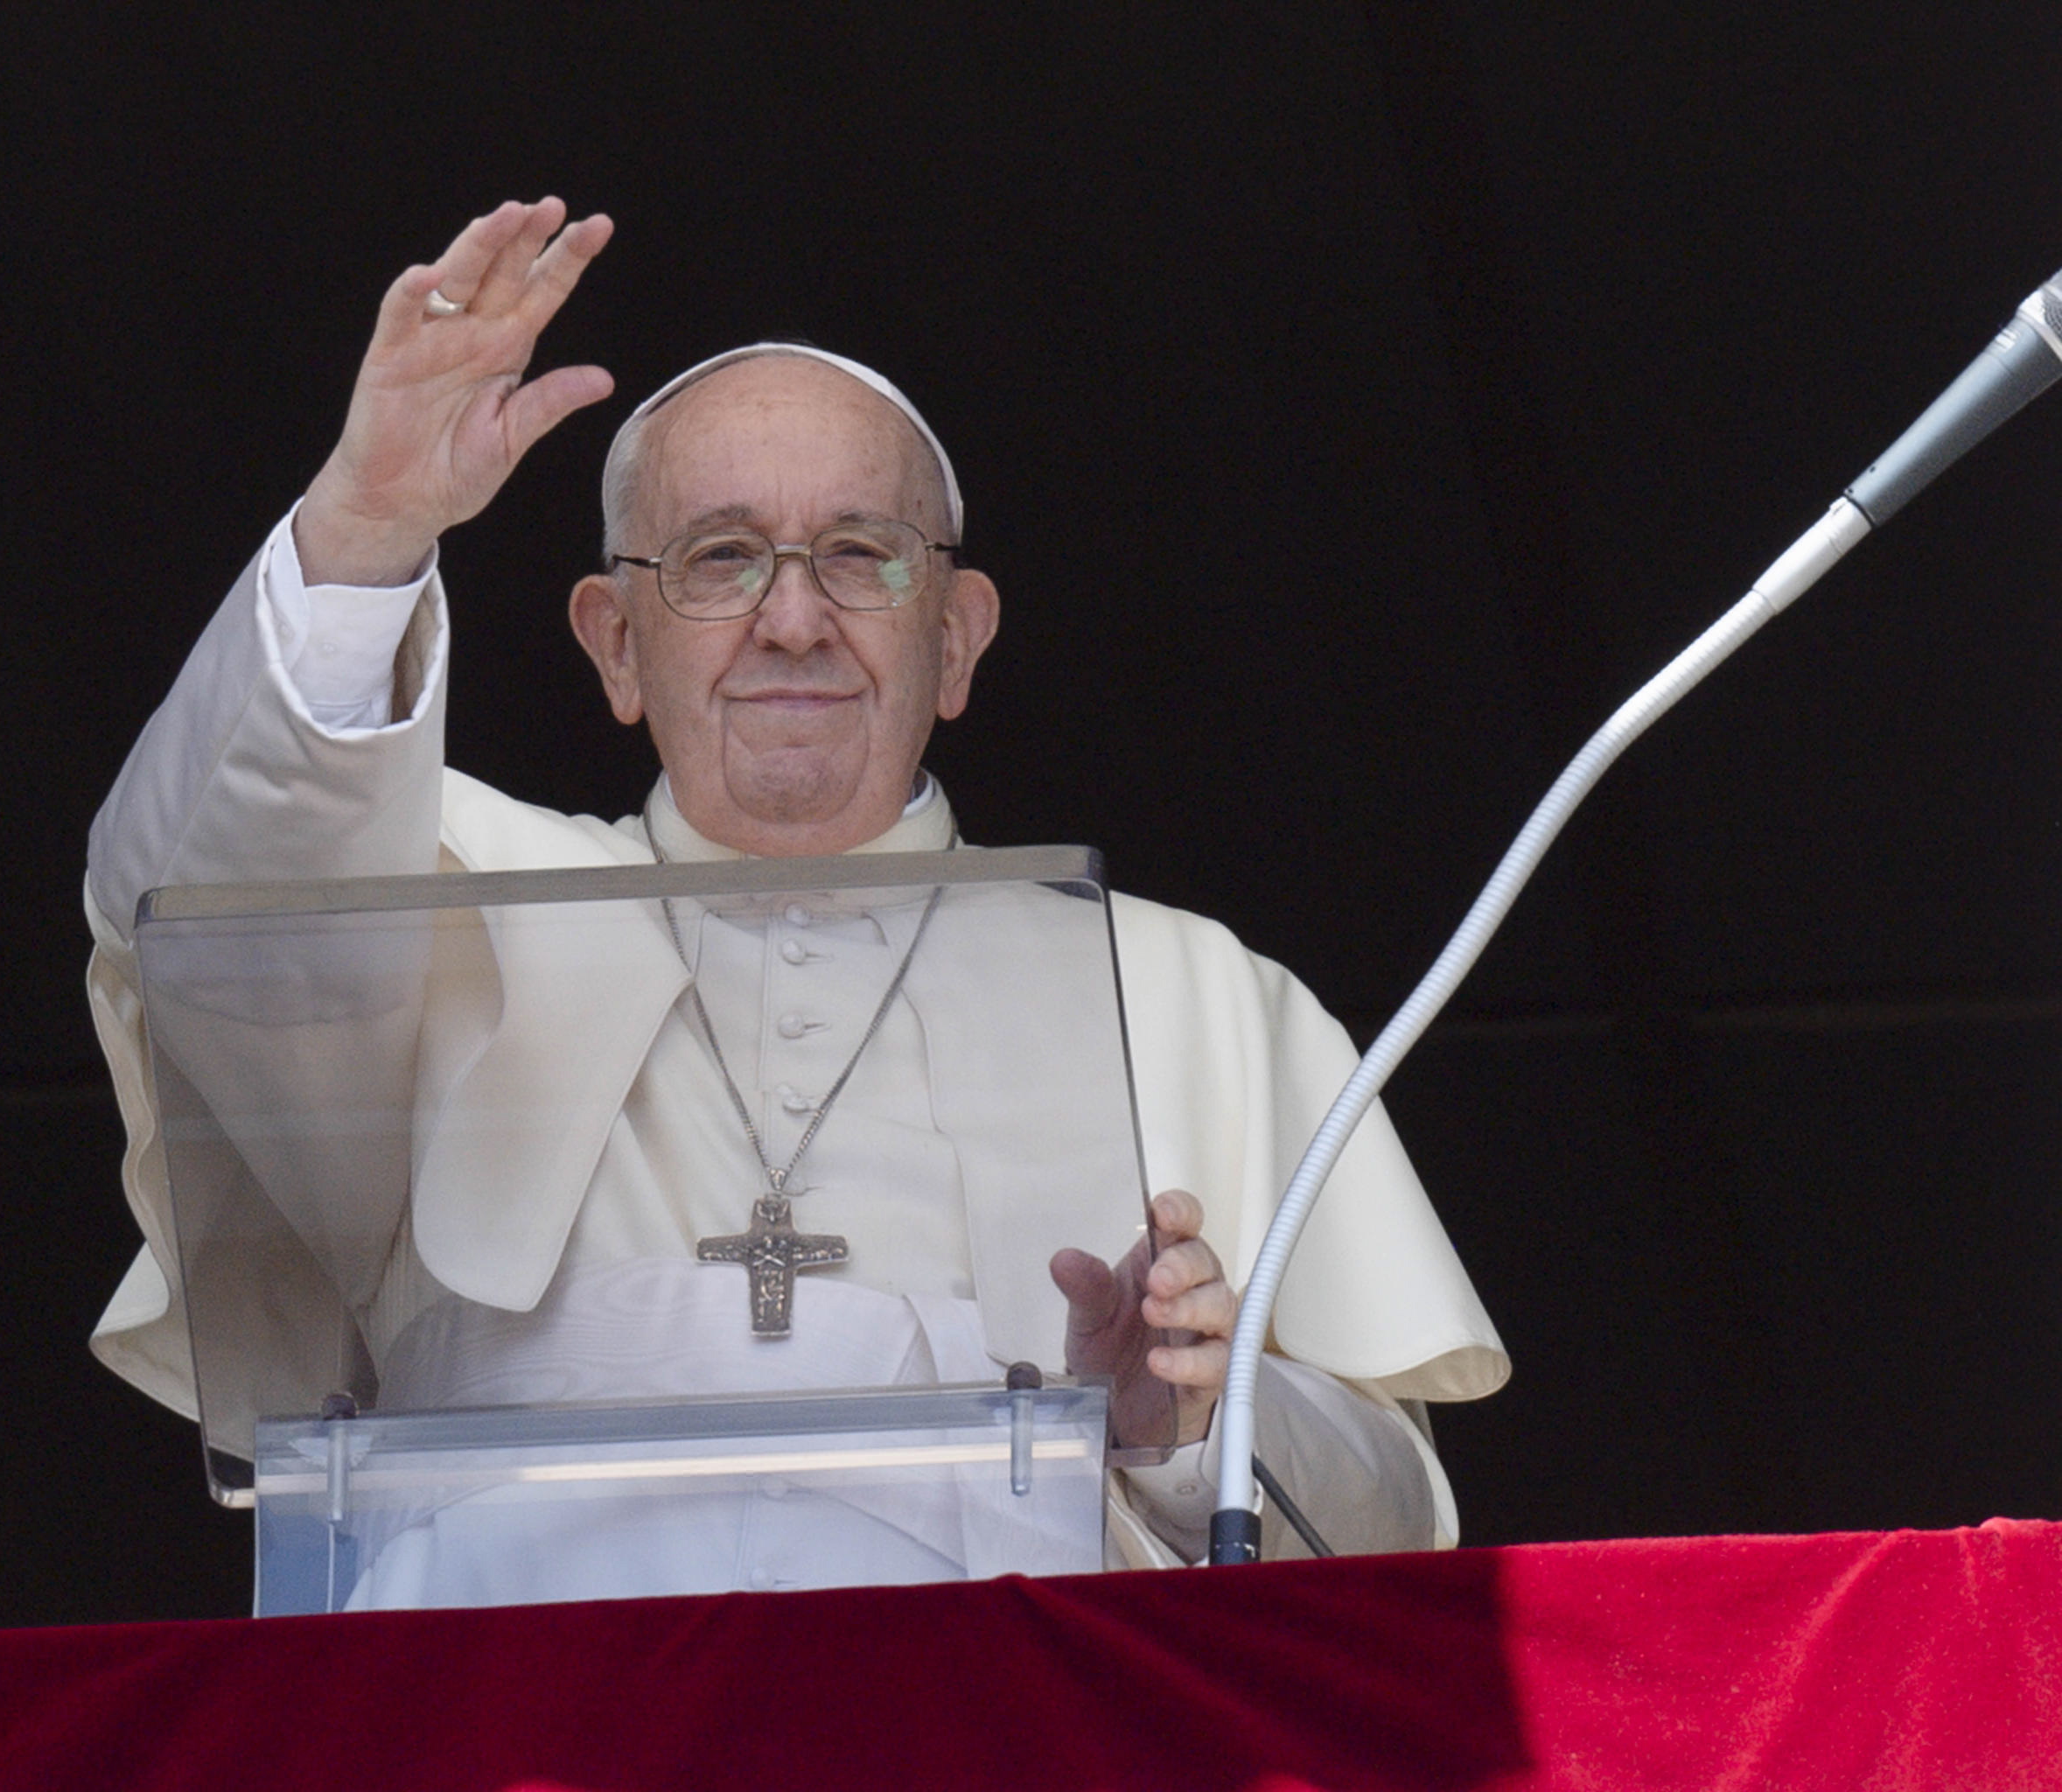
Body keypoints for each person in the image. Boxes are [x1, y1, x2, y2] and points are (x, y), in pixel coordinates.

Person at [83, 199, 1507, 1579]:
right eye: (717, 559)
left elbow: (1392, 1544)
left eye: (859, 556)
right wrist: (365, 530)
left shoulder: (1191, 991)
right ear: (615, 647)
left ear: (955, 641)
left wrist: (1183, 1426)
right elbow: (198, 933)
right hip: (515, 1712)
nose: (791, 618)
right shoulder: (442, 904)